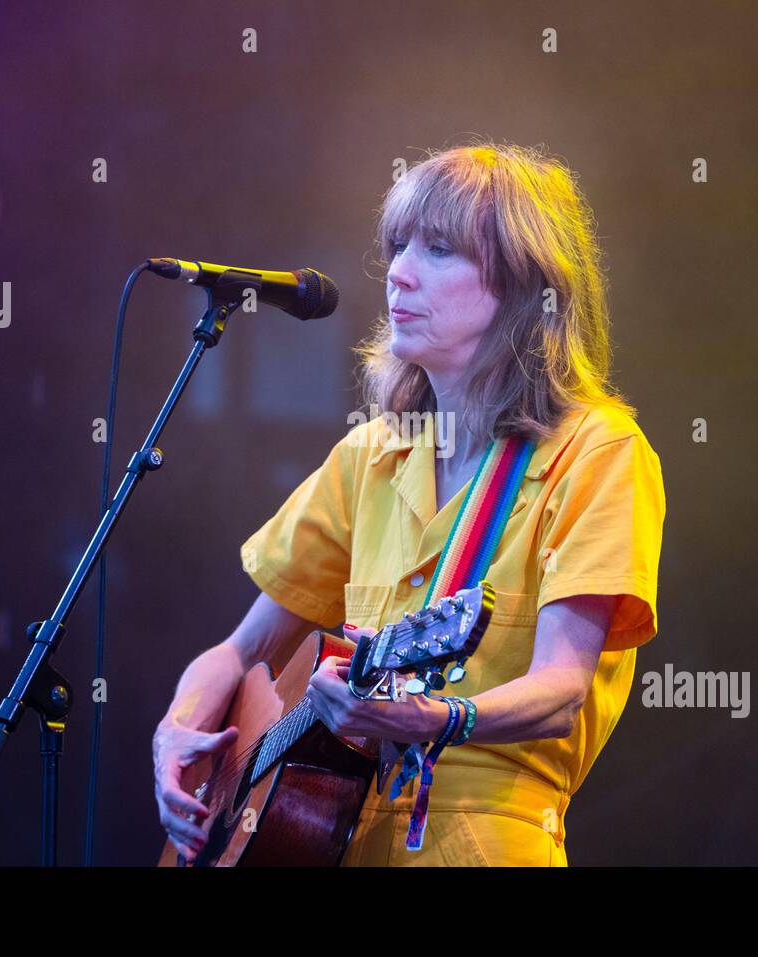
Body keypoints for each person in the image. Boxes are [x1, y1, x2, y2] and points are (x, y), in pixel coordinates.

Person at [152, 140, 666, 866]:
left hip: (486, 841)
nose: (398, 271)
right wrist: (178, 731)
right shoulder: (369, 454)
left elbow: (563, 689)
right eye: (398, 246)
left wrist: (438, 716)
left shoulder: (598, 450)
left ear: (527, 282)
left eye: (439, 249)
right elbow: (237, 653)